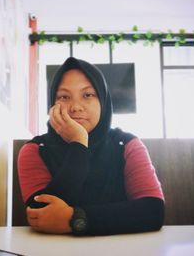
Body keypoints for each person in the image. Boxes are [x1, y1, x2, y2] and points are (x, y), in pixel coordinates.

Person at [18, 57, 164, 236]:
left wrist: (75, 218)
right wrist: (79, 144)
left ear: (103, 101)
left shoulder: (127, 145)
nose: (76, 107)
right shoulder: (35, 150)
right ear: (52, 105)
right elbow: (40, 214)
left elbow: (153, 211)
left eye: (88, 95)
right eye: (64, 97)